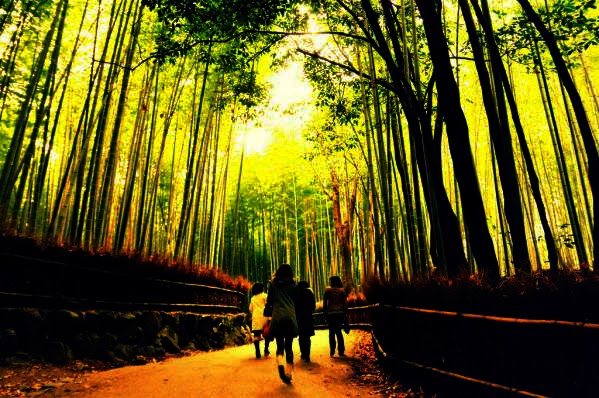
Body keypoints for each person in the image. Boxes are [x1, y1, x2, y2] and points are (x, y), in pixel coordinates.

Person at [265, 263, 298, 384]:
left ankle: (280, 363)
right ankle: (288, 373)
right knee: (289, 346)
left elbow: (269, 301)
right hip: (290, 317)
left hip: (277, 317)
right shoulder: (294, 285)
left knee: (280, 346)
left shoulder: (273, 284)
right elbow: (297, 301)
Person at [323, 275, 348, 357]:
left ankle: (332, 350)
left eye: (330, 281)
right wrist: (345, 313)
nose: (329, 283)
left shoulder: (327, 291)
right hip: (340, 313)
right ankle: (341, 350)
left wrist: (325, 314)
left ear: (332, 282)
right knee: (338, 331)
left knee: (331, 332)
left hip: (331, 313)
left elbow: (324, 304)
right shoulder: (342, 291)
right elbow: (345, 304)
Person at [248, 282, 270, 358]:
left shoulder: (252, 298)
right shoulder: (265, 296)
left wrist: (253, 314)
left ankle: (257, 352)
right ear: (261, 289)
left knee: (256, 335)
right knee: (266, 334)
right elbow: (269, 305)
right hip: (264, 317)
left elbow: (250, 309)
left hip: (256, 319)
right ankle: (266, 350)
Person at [296, 280, 316, 362]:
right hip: (308, 316)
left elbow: (295, 306)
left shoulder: (297, 293)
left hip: (299, 317)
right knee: (307, 336)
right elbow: (313, 306)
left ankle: (303, 353)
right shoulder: (309, 292)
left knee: (301, 336)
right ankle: (307, 354)